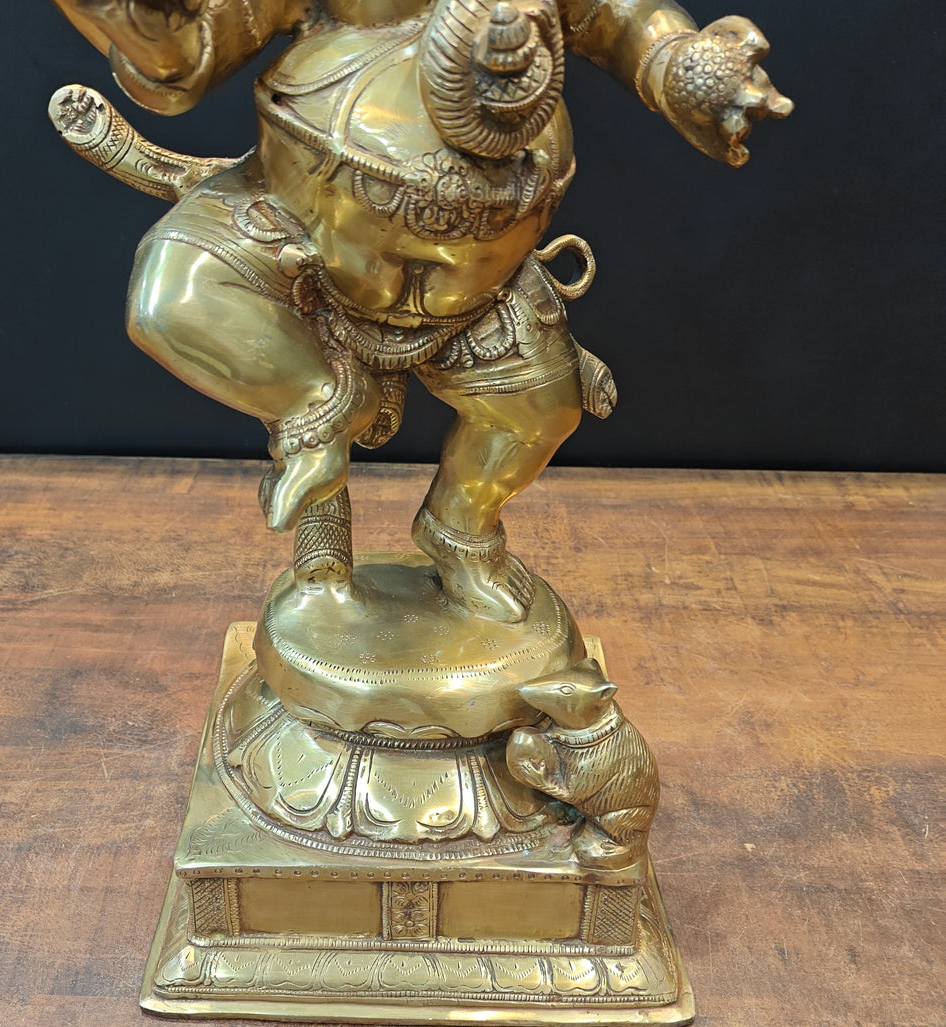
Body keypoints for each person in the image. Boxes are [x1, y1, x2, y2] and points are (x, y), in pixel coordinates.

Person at [52, 0, 790, 621]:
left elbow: (614, 15)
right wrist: (146, 21)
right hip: (297, 229)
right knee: (173, 300)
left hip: (483, 282)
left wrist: (678, 67)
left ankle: (459, 529)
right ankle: (320, 432)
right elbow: (188, 56)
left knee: (540, 416)